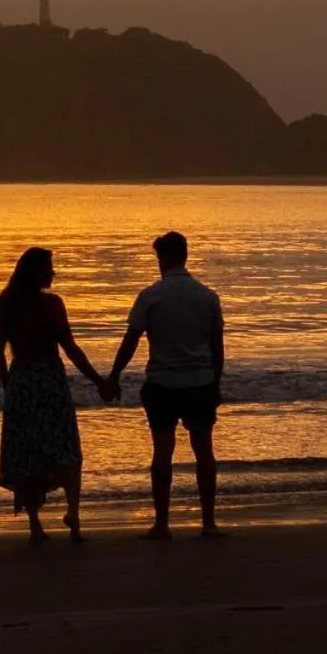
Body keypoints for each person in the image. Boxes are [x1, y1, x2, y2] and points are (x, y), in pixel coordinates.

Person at [107, 231, 224, 539]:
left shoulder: (151, 296)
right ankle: (208, 523)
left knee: (162, 453)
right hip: (200, 382)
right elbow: (217, 346)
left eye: (159, 258)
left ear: (166, 258)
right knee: (204, 453)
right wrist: (216, 383)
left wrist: (114, 375)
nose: (157, 263)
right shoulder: (207, 296)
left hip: (163, 382)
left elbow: (131, 340)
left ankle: (162, 524)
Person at [0, 247, 111, 543]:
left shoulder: (5, 303)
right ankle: (73, 514)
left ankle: (35, 525)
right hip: (51, 381)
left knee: (29, 453)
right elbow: (70, 348)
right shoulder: (53, 305)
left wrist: (9, 384)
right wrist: (99, 381)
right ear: (36, 273)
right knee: (66, 446)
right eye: (49, 268)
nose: (53, 273)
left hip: (22, 382)